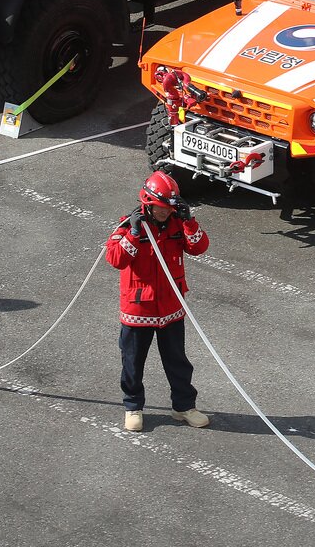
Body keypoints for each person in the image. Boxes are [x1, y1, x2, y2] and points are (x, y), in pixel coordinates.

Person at [105, 171, 211, 433]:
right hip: (138, 309)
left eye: (169, 208)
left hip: (172, 309)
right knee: (132, 362)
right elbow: (115, 259)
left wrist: (190, 222)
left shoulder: (177, 224)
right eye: (161, 208)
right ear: (149, 204)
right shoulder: (128, 226)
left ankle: (184, 406)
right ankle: (133, 407)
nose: (166, 213)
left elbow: (199, 247)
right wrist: (133, 233)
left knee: (178, 362)